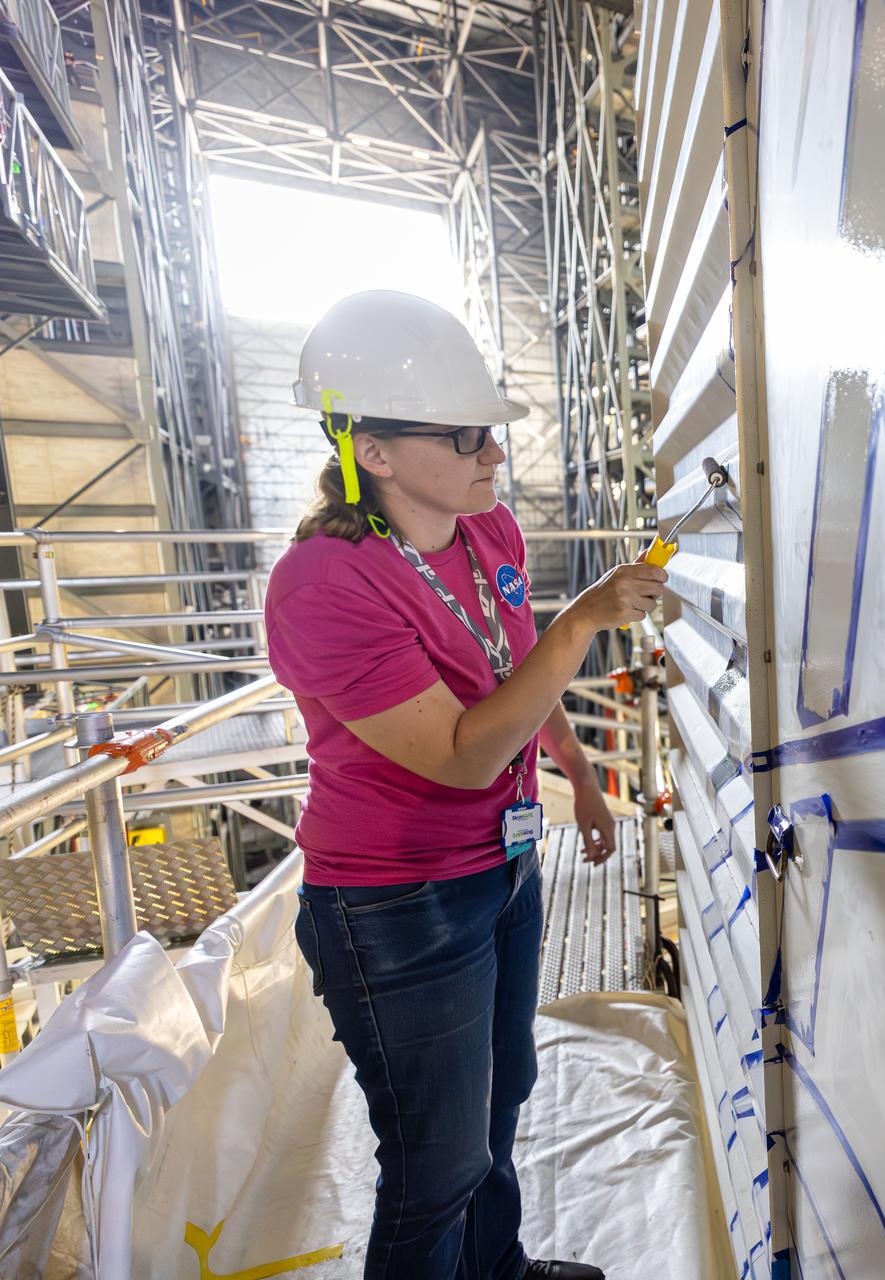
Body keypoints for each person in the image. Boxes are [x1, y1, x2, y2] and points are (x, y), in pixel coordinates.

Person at [265, 290, 667, 1279]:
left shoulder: (491, 536)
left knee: (502, 1091)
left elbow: (509, 671)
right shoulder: (325, 584)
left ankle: (495, 1267)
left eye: (492, 433)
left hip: (502, 864)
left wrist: (576, 768)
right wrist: (584, 622)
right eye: (468, 435)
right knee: (435, 1158)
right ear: (375, 450)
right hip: (397, 900)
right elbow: (462, 752)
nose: (495, 454)